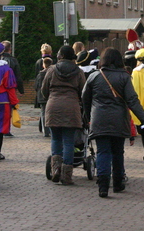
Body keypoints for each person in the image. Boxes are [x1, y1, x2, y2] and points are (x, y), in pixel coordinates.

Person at [82, 48, 144, 198]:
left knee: (102, 152)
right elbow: (132, 101)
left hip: (98, 119)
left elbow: (84, 98)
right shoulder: (124, 77)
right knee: (117, 152)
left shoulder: (94, 76)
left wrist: (89, 116)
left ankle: (103, 185)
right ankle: (118, 182)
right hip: (119, 120)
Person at [41, 45, 86, 185]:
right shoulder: (78, 72)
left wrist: (52, 97)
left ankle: (56, 170)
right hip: (71, 107)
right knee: (68, 142)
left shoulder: (52, 70)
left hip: (53, 106)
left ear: (59, 56)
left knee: (55, 139)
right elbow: (83, 92)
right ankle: (67, 176)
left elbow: (44, 89)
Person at [1, 40, 23, 137]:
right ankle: (6, 130)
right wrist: (21, 90)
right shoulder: (13, 60)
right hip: (10, 89)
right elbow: (18, 76)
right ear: (10, 49)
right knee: (8, 109)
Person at [35, 57, 53, 137]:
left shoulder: (40, 74)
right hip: (51, 96)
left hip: (41, 97)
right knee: (51, 113)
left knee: (43, 113)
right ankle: (51, 130)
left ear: (43, 65)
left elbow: (36, 86)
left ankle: (45, 131)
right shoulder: (53, 73)